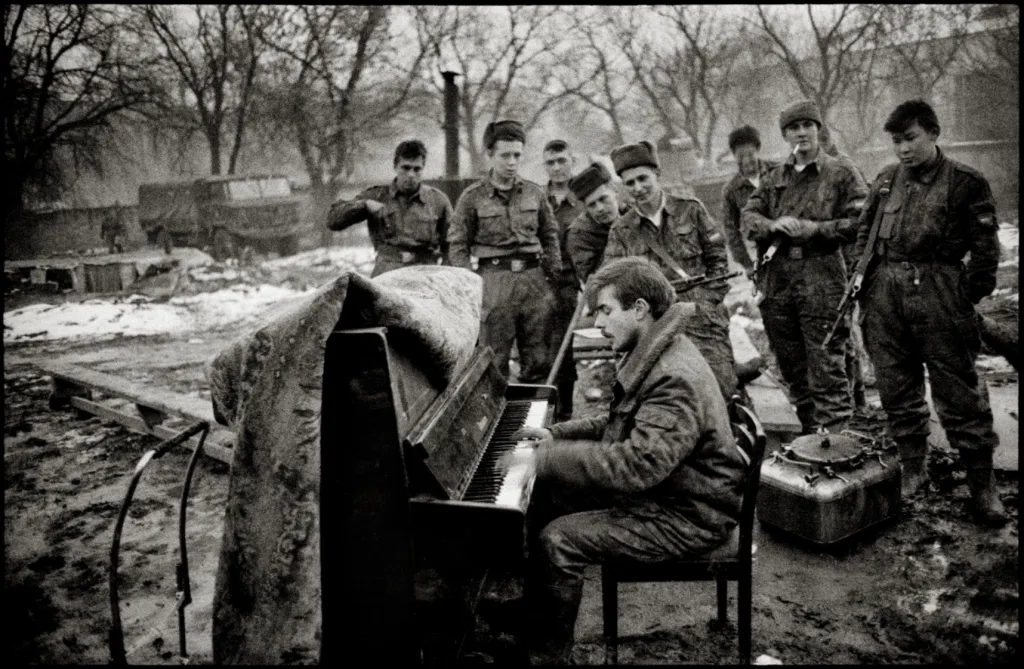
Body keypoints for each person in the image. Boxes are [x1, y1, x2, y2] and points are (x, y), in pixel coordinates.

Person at [504, 256, 746, 664]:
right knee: (543, 495)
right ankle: (535, 614)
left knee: (559, 540)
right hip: (674, 493)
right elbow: (619, 421)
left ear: (639, 309)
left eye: (605, 310)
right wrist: (557, 435)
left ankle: (546, 657)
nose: (598, 323)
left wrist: (547, 459)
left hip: (689, 515)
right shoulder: (658, 349)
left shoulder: (673, 376)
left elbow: (636, 467)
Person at [852, 99, 1005, 526]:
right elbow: (865, 235)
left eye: (910, 138)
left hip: (939, 291)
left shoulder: (965, 182)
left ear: (934, 133)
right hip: (886, 296)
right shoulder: (886, 181)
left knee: (959, 392)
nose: (902, 149)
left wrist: (962, 295)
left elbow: (986, 251)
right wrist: (868, 288)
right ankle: (914, 470)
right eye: (896, 141)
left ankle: (983, 487)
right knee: (896, 388)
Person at [741, 100, 868, 433]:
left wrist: (818, 230)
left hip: (822, 277)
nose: (802, 133)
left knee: (827, 366)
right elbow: (749, 216)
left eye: (807, 125)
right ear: (785, 135)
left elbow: (861, 221)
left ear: (818, 129)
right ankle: (812, 440)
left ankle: (838, 444)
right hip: (778, 282)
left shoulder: (841, 172)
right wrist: (772, 225)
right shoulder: (774, 177)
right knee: (793, 368)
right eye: (794, 128)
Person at [603, 140, 738, 401]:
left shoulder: (691, 210)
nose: (638, 188)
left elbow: (718, 260)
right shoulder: (622, 231)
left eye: (643, 178)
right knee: (667, 395)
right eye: (630, 183)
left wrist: (706, 302)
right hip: (655, 326)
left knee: (719, 388)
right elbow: (612, 281)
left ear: (657, 174)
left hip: (701, 320)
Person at [448, 120, 562, 383]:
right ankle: (496, 410)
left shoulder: (534, 193)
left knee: (538, 359)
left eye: (517, 155)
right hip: (494, 282)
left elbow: (549, 235)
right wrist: (470, 283)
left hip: (534, 281)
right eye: (505, 155)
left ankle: (534, 409)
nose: (512, 162)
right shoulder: (472, 197)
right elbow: (458, 243)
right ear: (490, 154)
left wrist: (551, 274)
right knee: (494, 361)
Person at [327, 139, 452, 278]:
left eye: (417, 169)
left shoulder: (437, 200)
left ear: (423, 169)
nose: (411, 175)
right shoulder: (378, 196)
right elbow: (333, 220)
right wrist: (364, 205)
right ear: (395, 167)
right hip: (387, 274)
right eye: (405, 168)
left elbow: (452, 245)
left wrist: (444, 275)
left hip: (425, 274)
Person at [818, 123, 870, 410]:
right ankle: (853, 397)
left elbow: (861, 218)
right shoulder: (816, 172)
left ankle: (856, 398)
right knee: (840, 329)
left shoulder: (843, 168)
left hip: (848, 261)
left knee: (843, 329)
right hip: (828, 263)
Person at [543, 140, 586, 421]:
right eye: (551, 162)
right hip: (539, 282)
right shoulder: (535, 198)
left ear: (573, 161)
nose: (557, 168)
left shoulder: (584, 200)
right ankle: (539, 410)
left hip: (568, 283)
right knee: (536, 349)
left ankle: (564, 412)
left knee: (562, 348)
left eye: (562, 161)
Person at [721, 125, 776, 273]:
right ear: (734, 156)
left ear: (758, 150)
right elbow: (731, 231)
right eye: (740, 156)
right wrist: (746, 264)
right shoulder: (731, 190)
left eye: (750, 154)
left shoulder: (779, 172)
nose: (746, 161)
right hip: (765, 253)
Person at [565, 161, 622, 284]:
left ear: (615, 191)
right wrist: (616, 235)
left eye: (603, 199)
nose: (599, 208)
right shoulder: (579, 235)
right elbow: (594, 281)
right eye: (592, 205)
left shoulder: (632, 213)